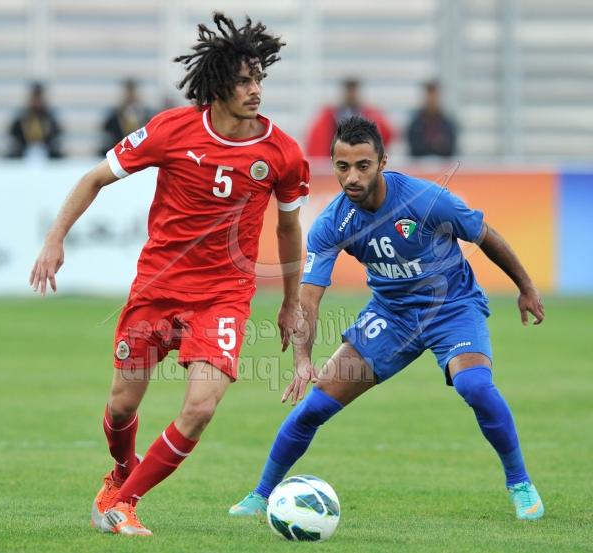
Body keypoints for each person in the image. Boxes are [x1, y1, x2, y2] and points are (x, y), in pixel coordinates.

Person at [30, 12, 309, 536]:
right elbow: (94, 178)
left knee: (200, 408)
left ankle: (125, 502)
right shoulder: (171, 130)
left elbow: (289, 229)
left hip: (224, 296)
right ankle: (121, 472)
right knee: (120, 407)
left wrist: (291, 302)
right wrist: (54, 238)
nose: (256, 90)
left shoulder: (283, 153)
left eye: (259, 78)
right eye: (244, 81)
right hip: (158, 288)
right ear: (218, 85)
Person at [230, 115, 545, 521]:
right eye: (343, 166)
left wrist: (526, 287)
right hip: (391, 315)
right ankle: (260, 495)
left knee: (475, 386)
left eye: (363, 165)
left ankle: (520, 484)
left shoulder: (425, 198)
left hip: (452, 307)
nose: (352, 177)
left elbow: (483, 233)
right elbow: (309, 298)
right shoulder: (331, 223)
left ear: (382, 162)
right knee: (314, 406)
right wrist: (303, 359)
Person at [305, 79, 396, 157]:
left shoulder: (369, 114)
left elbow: (386, 134)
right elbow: (317, 139)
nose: (351, 95)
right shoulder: (330, 115)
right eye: (349, 92)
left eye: (353, 92)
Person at [7, 82, 63, 158]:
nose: (37, 100)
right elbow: (14, 134)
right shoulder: (22, 117)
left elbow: (56, 135)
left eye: (39, 97)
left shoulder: (49, 117)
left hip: (46, 151)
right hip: (24, 151)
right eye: (35, 97)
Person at [98, 79, 153, 156]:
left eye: (132, 92)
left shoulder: (147, 118)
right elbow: (106, 144)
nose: (130, 96)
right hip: (118, 157)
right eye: (128, 92)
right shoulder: (112, 120)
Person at [406, 81, 457, 157]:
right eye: (429, 97)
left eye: (434, 97)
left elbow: (449, 148)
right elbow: (415, 148)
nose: (431, 101)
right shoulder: (415, 124)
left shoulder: (448, 124)